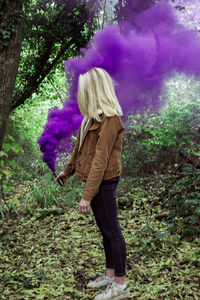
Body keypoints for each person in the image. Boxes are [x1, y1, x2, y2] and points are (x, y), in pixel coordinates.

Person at [56, 67, 130, 300]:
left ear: (93, 90)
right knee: (105, 230)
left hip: (105, 181)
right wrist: (67, 172)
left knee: (113, 231)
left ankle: (121, 286)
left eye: (84, 90)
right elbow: (81, 153)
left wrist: (86, 196)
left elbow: (100, 160)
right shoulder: (90, 119)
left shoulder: (110, 119)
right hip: (95, 180)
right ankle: (110, 275)